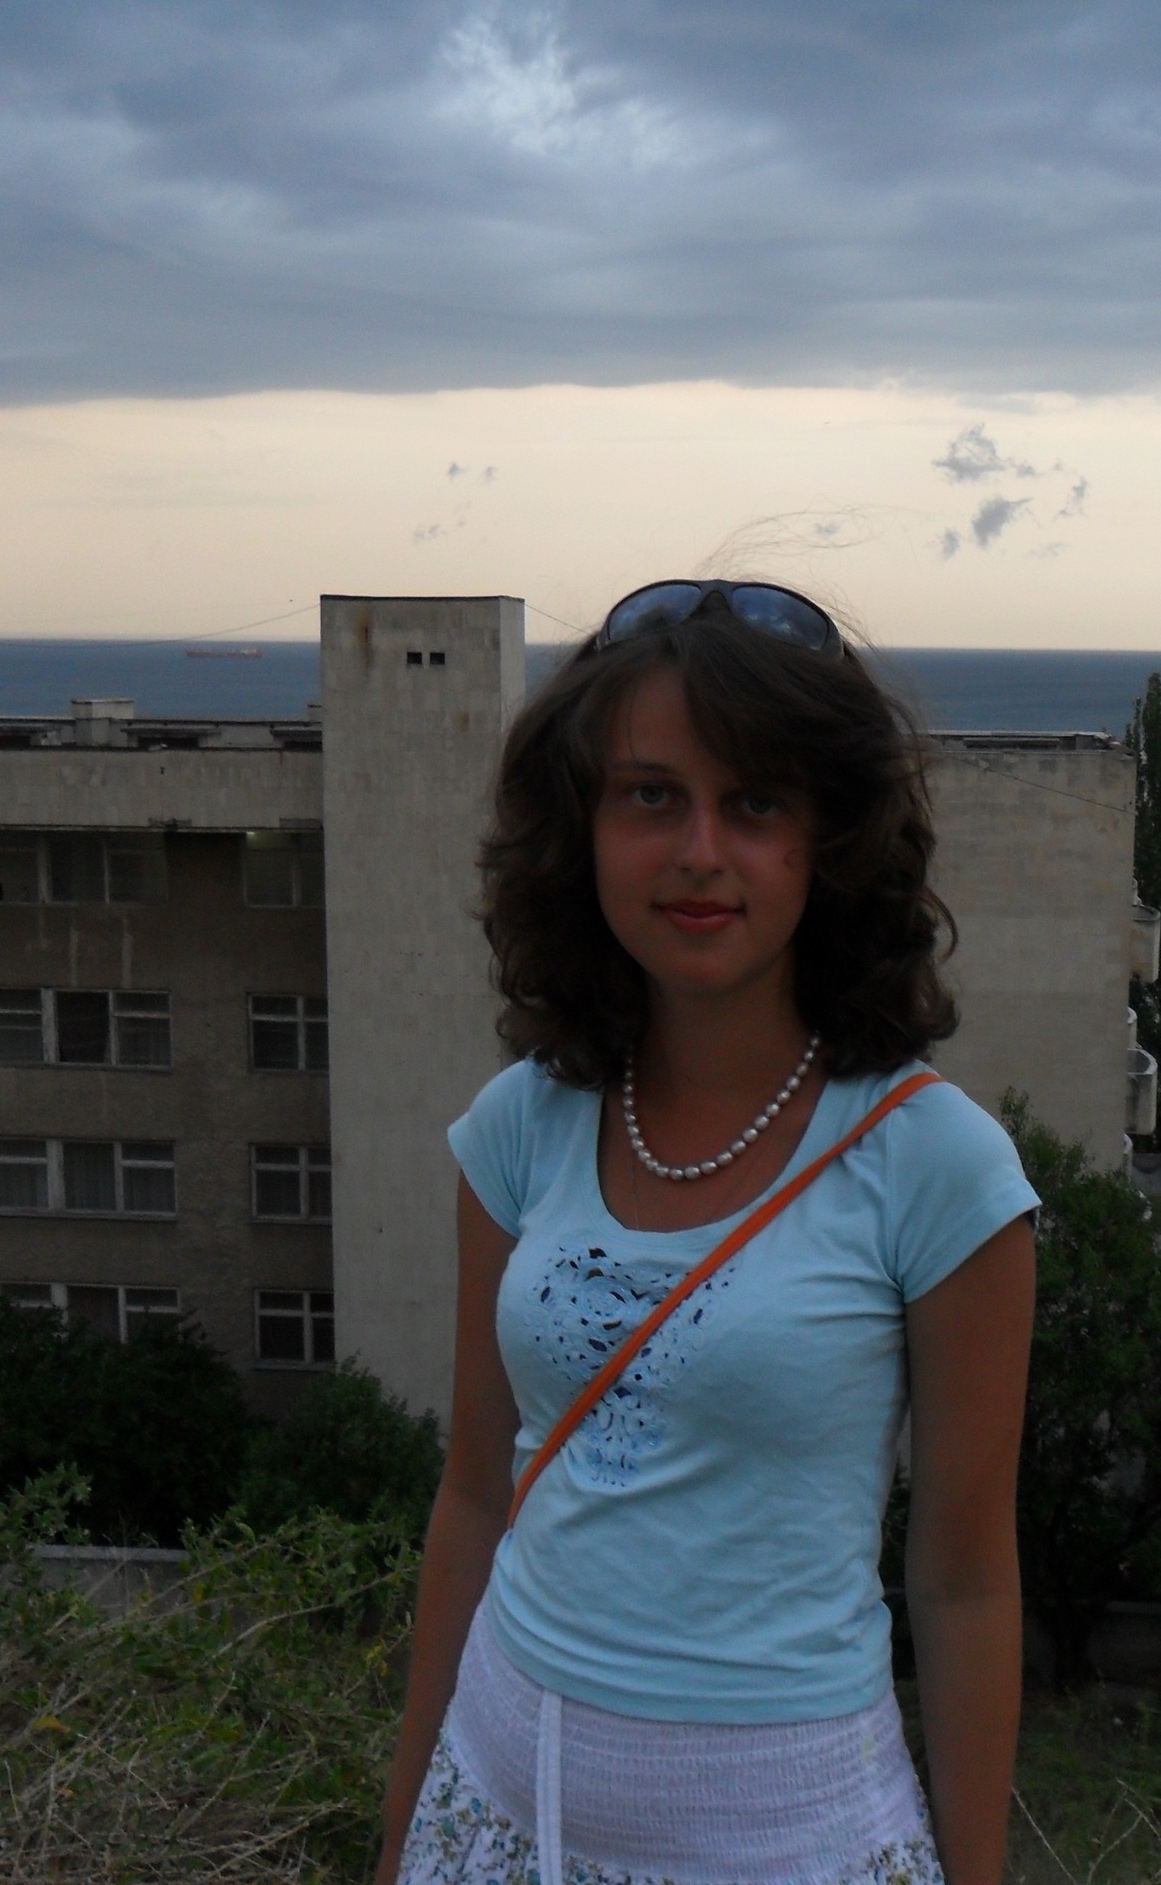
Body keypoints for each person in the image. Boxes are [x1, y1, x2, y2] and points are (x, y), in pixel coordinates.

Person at [375, 580, 1040, 1885]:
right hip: (494, 1810)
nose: (698, 852)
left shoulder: (936, 1168)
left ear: (829, 842)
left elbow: (964, 1583)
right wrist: (401, 1837)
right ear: (581, 827)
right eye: (650, 796)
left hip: (785, 1836)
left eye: (756, 805)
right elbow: (474, 1495)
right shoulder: (521, 1125)